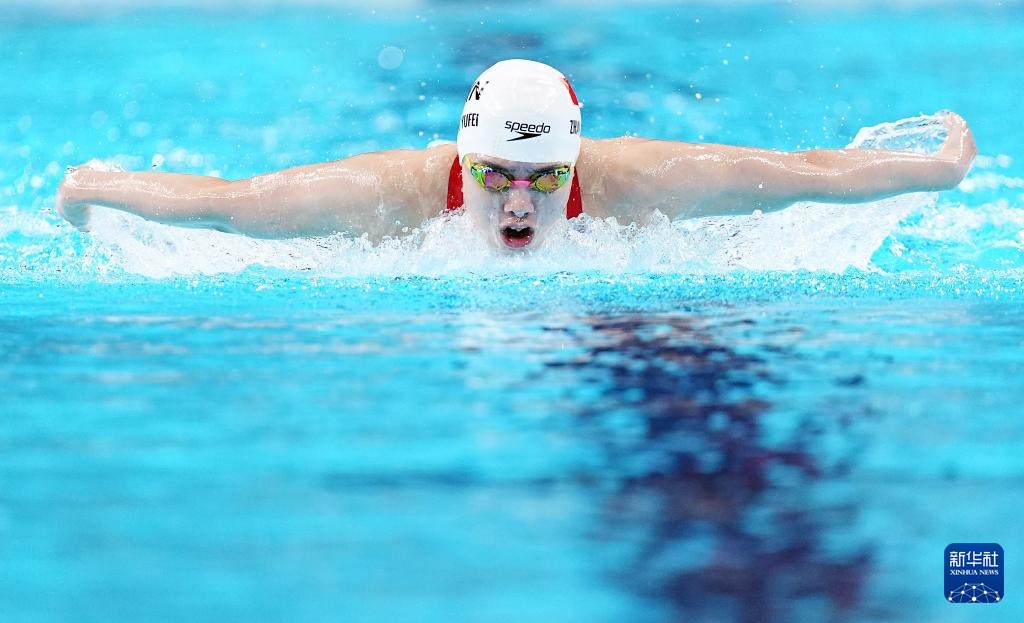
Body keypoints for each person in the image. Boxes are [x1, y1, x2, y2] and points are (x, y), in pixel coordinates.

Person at [57, 59, 977, 251]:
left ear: (576, 166)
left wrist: (934, 171)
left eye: (544, 180)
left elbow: (804, 175)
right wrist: (98, 188)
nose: (517, 206)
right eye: (497, 175)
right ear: (462, 163)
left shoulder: (636, 182)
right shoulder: (385, 196)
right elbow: (225, 199)